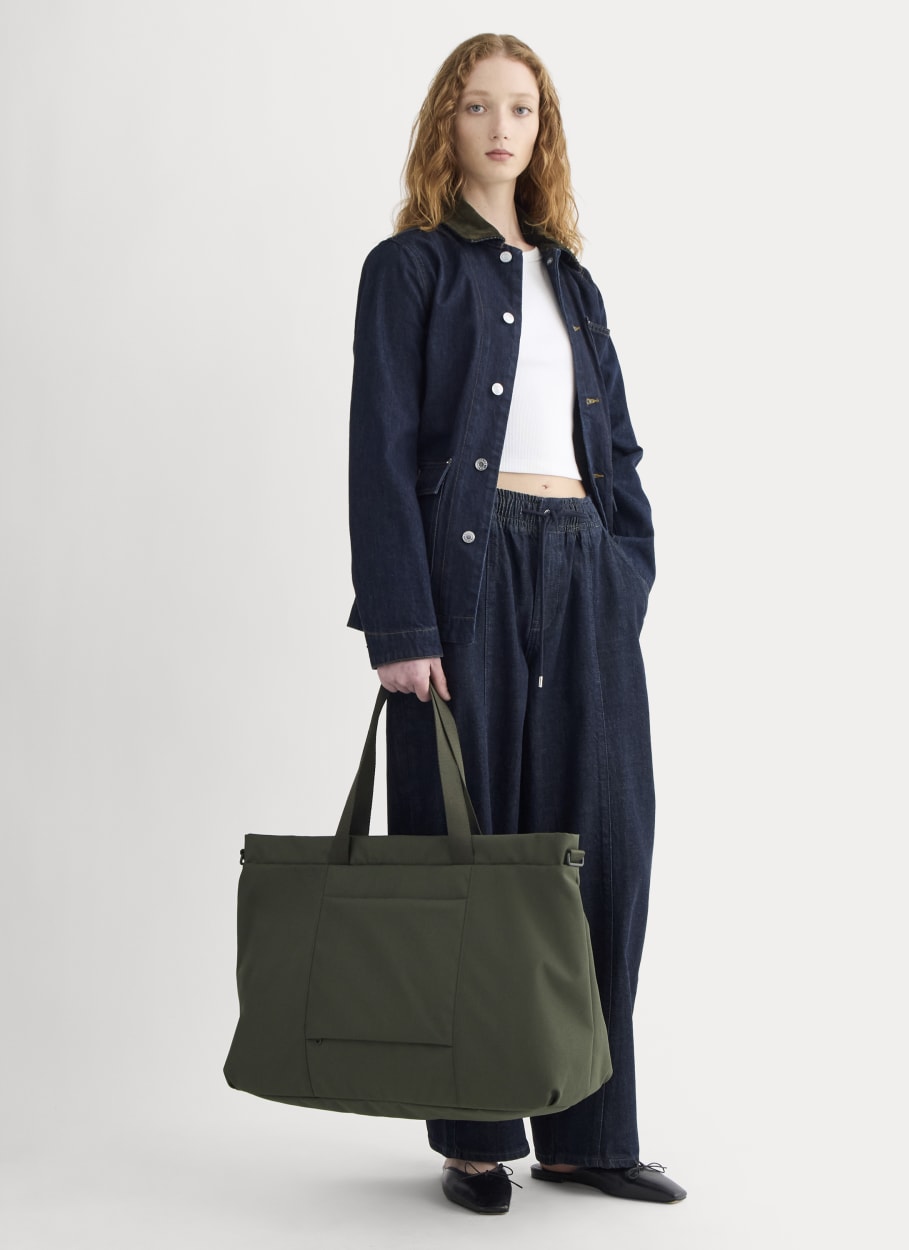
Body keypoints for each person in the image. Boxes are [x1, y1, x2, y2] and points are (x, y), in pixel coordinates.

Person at [346, 32, 686, 1215]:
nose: (503, 129)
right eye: (479, 106)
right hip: (466, 576)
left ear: (545, 131)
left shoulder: (573, 281)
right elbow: (380, 450)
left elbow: (618, 447)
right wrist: (402, 621)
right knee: (469, 846)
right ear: (446, 122)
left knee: (604, 842)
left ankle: (590, 1134)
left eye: (524, 110)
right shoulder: (408, 269)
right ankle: (477, 1134)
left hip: (583, 571)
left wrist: (623, 569)